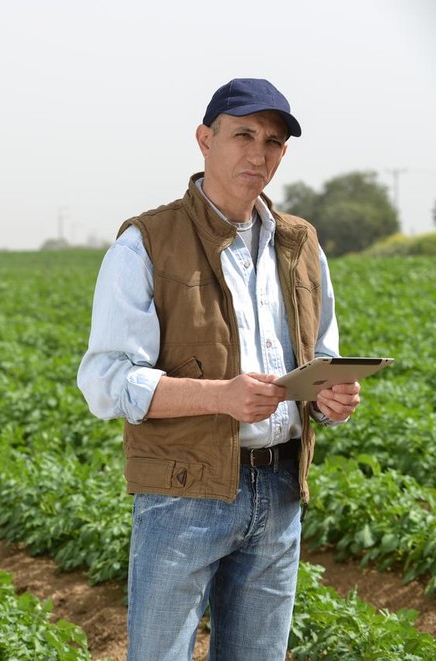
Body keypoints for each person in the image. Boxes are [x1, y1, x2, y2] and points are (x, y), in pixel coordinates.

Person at [76, 78, 361, 660]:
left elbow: (320, 357)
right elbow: (106, 382)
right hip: (183, 494)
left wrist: (330, 398)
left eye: (275, 142)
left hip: (280, 489)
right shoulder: (145, 244)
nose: (258, 154)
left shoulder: (300, 242)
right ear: (205, 140)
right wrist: (219, 396)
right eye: (243, 135)